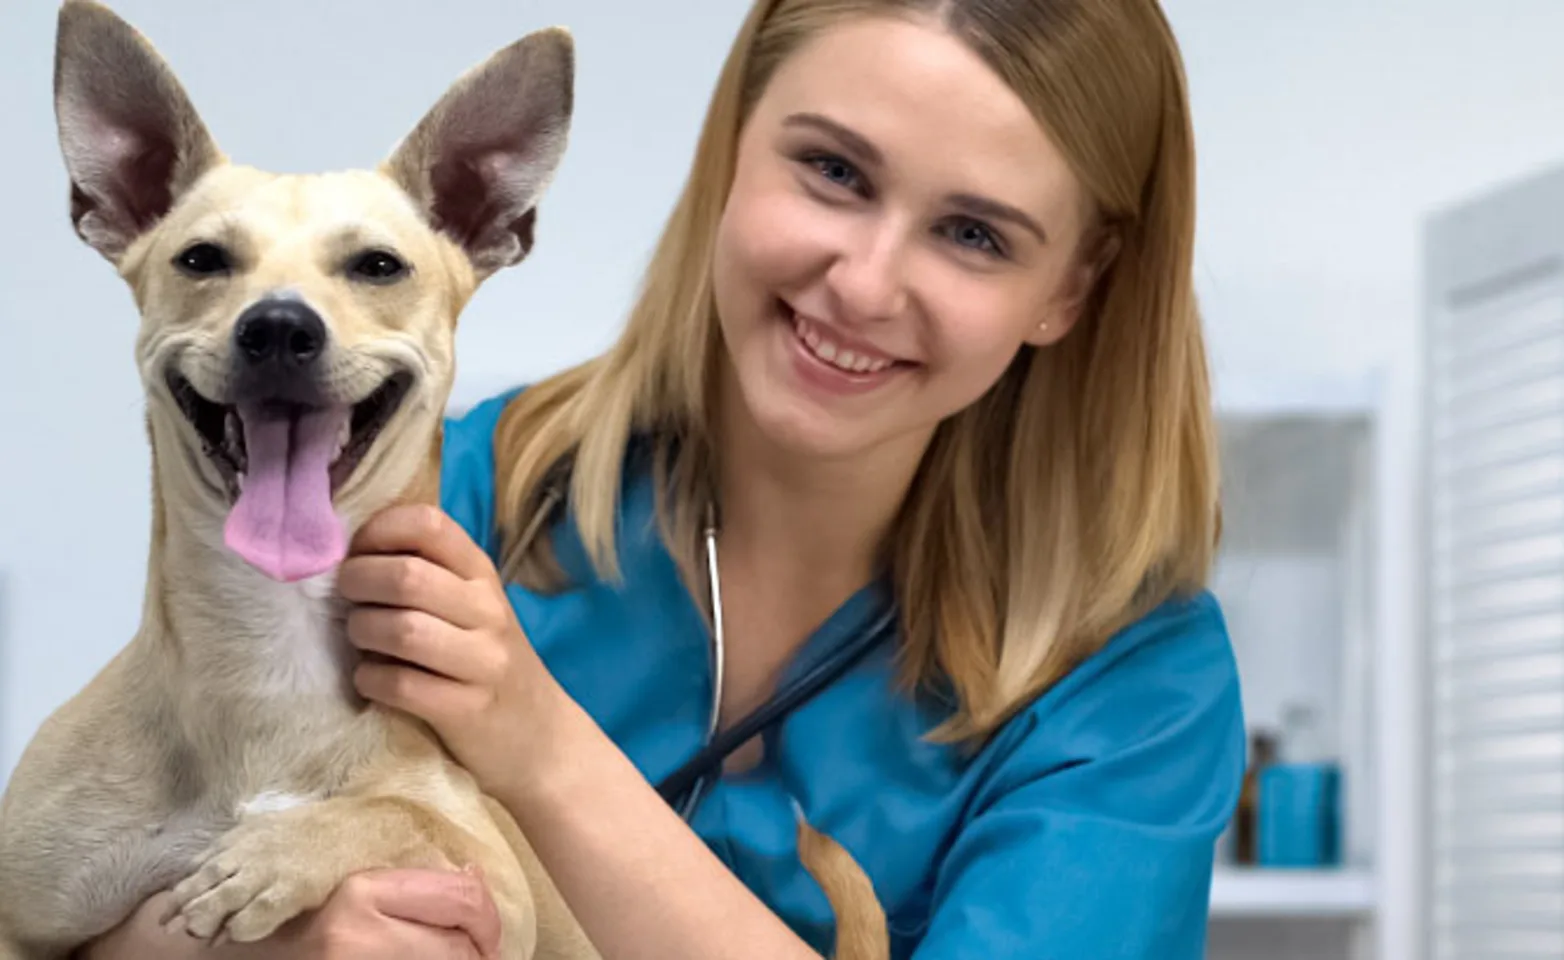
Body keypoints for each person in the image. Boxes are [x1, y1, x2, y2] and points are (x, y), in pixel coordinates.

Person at [88, 0, 1244, 957]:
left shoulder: (1133, 686)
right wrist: (254, 941)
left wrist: (535, 743)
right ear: (729, 151)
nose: (865, 281)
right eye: (833, 171)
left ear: (1072, 290)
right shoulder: (448, 491)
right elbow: (109, 876)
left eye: (975, 235)